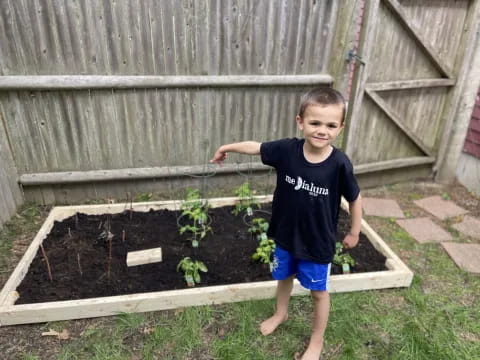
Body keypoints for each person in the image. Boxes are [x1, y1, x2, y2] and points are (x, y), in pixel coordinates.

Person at [210, 87, 362, 360]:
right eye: (315, 123)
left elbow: (355, 198)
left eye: (330, 125)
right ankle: (281, 313)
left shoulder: (340, 164)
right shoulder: (287, 151)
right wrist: (227, 148)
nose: (322, 130)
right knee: (283, 278)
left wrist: (354, 230)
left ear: (340, 127)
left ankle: (316, 341)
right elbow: (256, 147)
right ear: (300, 121)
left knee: (318, 292)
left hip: (317, 242)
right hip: (285, 236)